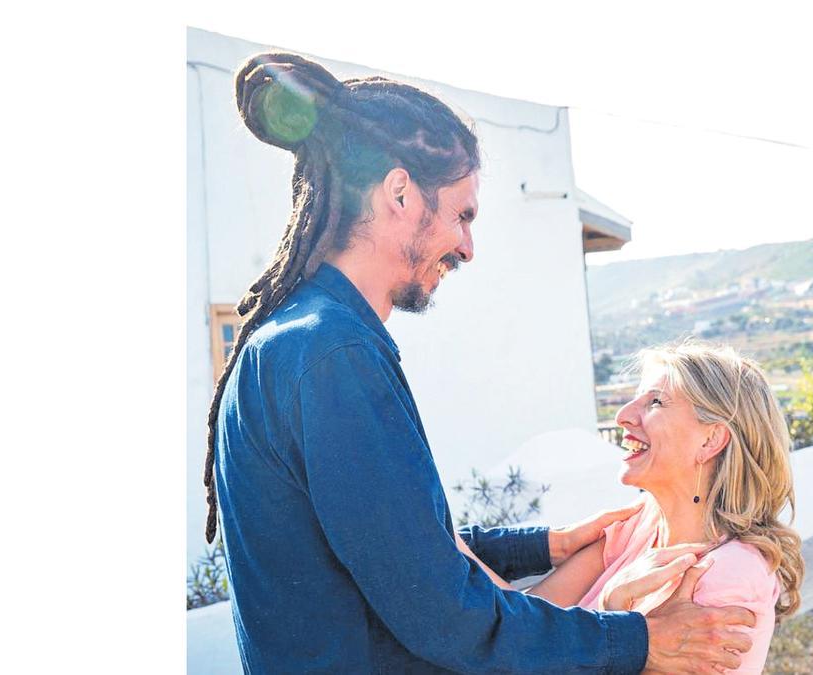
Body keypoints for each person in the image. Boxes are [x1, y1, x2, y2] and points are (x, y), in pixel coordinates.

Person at [202, 52, 756, 674]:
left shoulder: (297, 338)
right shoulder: (335, 356)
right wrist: (639, 643)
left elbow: (395, 548)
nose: (468, 246)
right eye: (462, 215)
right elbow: (445, 616)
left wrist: (545, 546)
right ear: (401, 193)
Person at [462, 341, 805, 674]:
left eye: (656, 402)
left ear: (710, 440)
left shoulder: (731, 574)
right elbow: (521, 630)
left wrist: (614, 616)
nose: (624, 416)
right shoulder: (637, 525)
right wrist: (438, 531)